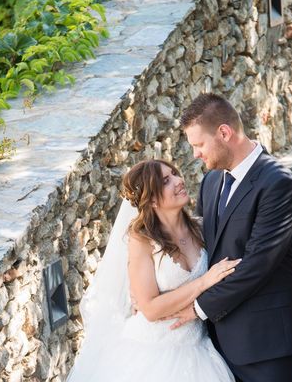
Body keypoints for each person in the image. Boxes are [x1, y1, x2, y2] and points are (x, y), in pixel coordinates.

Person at [168, 93, 292, 382]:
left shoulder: (277, 182)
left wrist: (198, 308)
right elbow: (202, 252)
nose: (195, 155)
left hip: (267, 341)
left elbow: (257, 265)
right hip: (215, 344)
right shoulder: (211, 182)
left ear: (224, 133)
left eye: (199, 145)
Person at [66, 159, 239, 382]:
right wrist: (204, 281)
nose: (179, 181)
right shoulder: (142, 240)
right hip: (152, 353)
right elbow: (150, 309)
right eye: (167, 181)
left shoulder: (201, 228)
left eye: (175, 173)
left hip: (199, 347)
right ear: (153, 199)